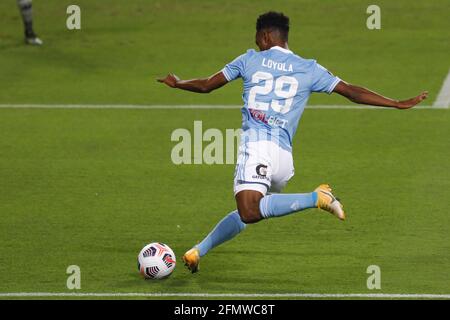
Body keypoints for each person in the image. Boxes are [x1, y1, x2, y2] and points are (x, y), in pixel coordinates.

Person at [157, 11, 428, 273]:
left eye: (256, 38)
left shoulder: (249, 60)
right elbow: (352, 91)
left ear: (264, 36)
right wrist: (395, 103)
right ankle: (198, 251)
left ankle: (318, 197)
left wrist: (179, 83)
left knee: (249, 209)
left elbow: (206, 85)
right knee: (252, 209)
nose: (255, 43)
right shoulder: (308, 68)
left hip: (257, 147)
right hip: (283, 159)